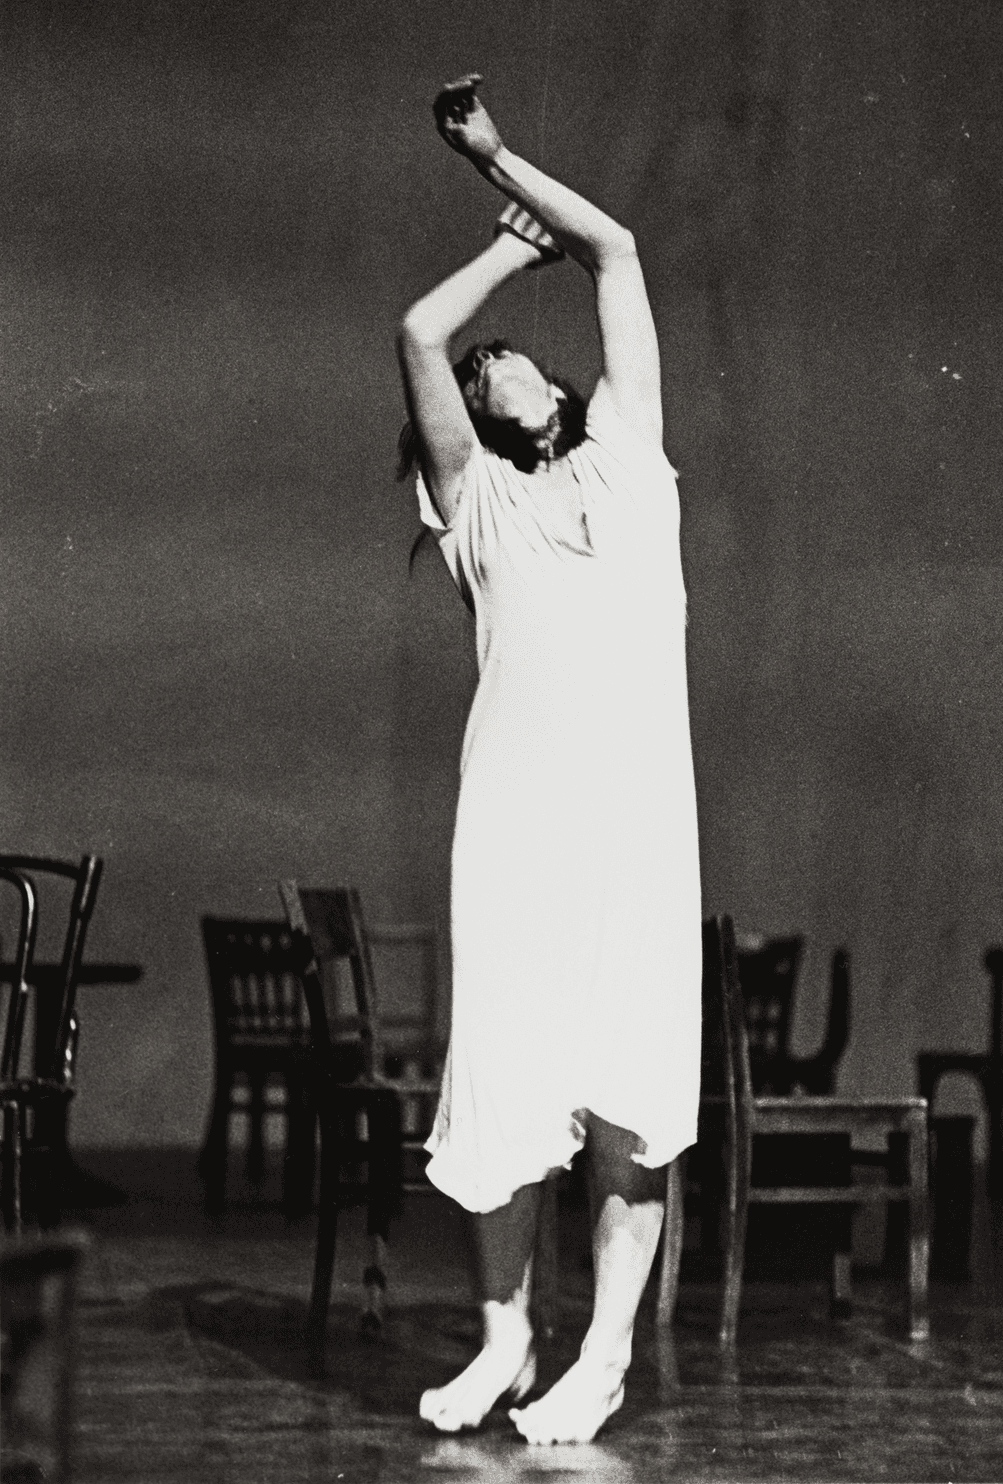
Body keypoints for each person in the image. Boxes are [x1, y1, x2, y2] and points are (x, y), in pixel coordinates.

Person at [397, 74, 701, 1446]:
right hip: (514, 832)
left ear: (555, 374)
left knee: (632, 1106)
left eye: (505, 354)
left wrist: (501, 161)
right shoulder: (478, 516)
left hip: (633, 830)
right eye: (473, 381)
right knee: (505, 1092)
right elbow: (416, 328)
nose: (488, 365)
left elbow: (618, 254)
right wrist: (496, 252)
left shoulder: (631, 462)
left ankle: (605, 1354)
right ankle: (505, 1339)